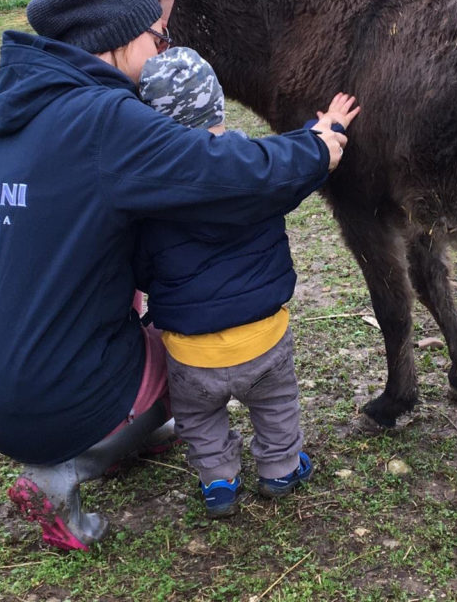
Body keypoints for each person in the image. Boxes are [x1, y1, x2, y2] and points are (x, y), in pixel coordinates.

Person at [0, 0, 351, 551]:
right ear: (120, 39)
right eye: (158, 38)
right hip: (39, 395)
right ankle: (62, 471)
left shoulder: (7, 116)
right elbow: (224, 171)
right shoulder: (102, 118)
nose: (163, 49)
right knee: (197, 345)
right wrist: (316, 147)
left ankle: (121, 429)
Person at [134, 48, 359, 517]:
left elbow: (138, 267)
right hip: (264, 342)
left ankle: (218, 481)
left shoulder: (145, 188)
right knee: (276, 406)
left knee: (198, 418)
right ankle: (280, 469)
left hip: (190, 352)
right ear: (217, 102)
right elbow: (304, 160)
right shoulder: (260, 166)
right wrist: (331, 128)